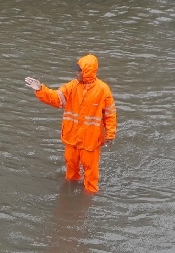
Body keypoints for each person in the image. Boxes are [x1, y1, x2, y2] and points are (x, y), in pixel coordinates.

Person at [25, 54, 117, 194]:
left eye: (79, 70)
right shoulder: (72, 86)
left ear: (87, 71)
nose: (76, 73)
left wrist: (110, 135)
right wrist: (40, 89)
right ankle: (70, 193)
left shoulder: (103, 89)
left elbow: (110, 114)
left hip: (90, 141)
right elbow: (57, 98)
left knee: (91, 174)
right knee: (70, 168)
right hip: (72, 138)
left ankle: (88, 198)